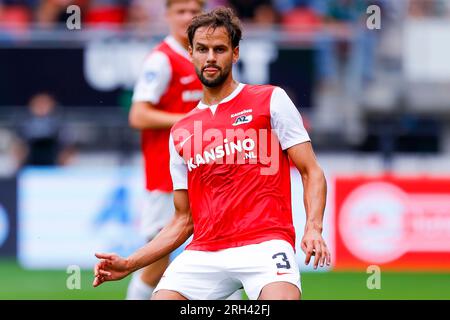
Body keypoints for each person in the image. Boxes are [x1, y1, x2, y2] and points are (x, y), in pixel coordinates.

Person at [94, 7, 330, 300]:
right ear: (191, 52)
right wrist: (129, 263)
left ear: (235, 53)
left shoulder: (270, 100)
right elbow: (182, 220)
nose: (210, 57)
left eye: (219, 49)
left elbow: (311, 171)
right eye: (202, 49)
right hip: (205, 253)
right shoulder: (181, 131)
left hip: (266, 245)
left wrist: (313, 228)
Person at [124, 0, 205, 300]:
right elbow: (138, 115)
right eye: (180, 11)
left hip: (206, 172)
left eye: (193, 11)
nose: (187, 17)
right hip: (166, 177)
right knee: (157, 261)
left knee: (221, 255)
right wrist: (188, 120)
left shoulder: (205, 56)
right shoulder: (161, 60)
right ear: (168, 16)